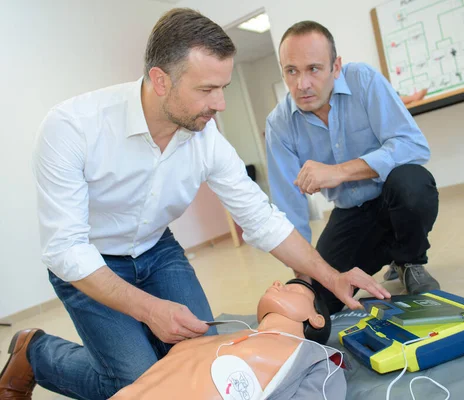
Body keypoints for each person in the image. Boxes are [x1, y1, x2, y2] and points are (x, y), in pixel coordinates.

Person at [0, 9, 389, 400]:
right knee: (141, 381)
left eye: (224, 87)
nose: (220, 104)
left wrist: (329, 275)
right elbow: (66, 250)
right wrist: (150, 311)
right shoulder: (71, 128)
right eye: (207, 90)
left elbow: (260, 218)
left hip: (157, 250)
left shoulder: (207, 140)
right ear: (160, 80)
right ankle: (36, 353)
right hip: (90, 264)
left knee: (204, 357)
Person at [266, 21, 440, 315]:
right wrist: (305, 280)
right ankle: (385, 256)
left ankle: (409, 260)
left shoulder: (365, 81)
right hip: (350, 215)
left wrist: (339, 172)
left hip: (392, 196)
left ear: (336, 67)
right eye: (291, 71)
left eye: (313, 69)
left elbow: (414, 145)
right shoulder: (279, 124)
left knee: (412, 184)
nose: (302, 84)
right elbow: (288, 211)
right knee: (322, 301)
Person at [110, 279, 346, 399]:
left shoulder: (316, 360)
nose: (276, 283)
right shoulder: (216, 336)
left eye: (292, 289)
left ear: (316, 319)